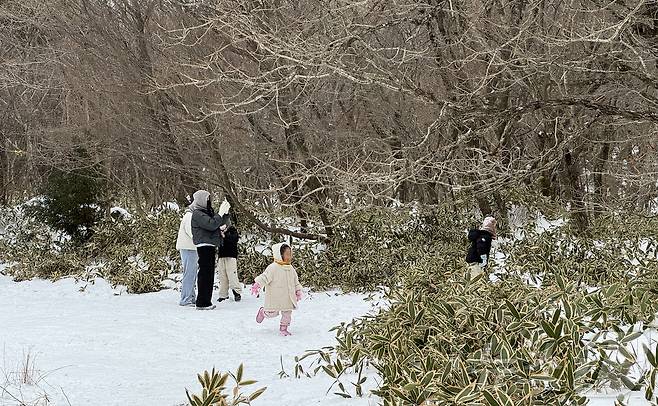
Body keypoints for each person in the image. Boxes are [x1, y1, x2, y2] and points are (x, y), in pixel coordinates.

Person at [190, 190, 231, 310]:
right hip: (204, 245)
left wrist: (225, 214)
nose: (209, 201)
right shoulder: (197, 213)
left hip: (210, 245)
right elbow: (211, 224)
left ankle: (205, 300)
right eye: (207, 199)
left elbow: (215, 225)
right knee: (205, 273)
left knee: (209, 274)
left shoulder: (206, 212)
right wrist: (220, 213)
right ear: (202, 199)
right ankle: (202, 302)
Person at [250, 243, 303, 336]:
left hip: (288, 297)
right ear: (280, 255)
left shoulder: (291, 268)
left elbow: (295, 281)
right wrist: (257, 284)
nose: (289, 256)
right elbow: (265, 277)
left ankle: (283, 328)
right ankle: (263, 312)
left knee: (287, 313)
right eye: (287, 254)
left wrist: (298, 290)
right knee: (272, 313)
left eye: (290, 254)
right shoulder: (273, 267)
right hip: (276, 296)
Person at [175, 205, 197, 306]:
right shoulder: (189, 216)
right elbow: (192, 232)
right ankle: (186, 299)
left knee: (191, 273)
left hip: (190, 248)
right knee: (189, 273)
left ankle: (191, 297)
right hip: (189, 248)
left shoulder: (190, 215)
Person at [216, 225, 242, 303]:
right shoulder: (218, 229)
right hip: (221, 255)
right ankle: (223, 294)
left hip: (231, 255)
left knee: (232, 274)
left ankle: (236, 292)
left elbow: (234, 239)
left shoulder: (232, 229)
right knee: (222, 276)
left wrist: (225, 235)